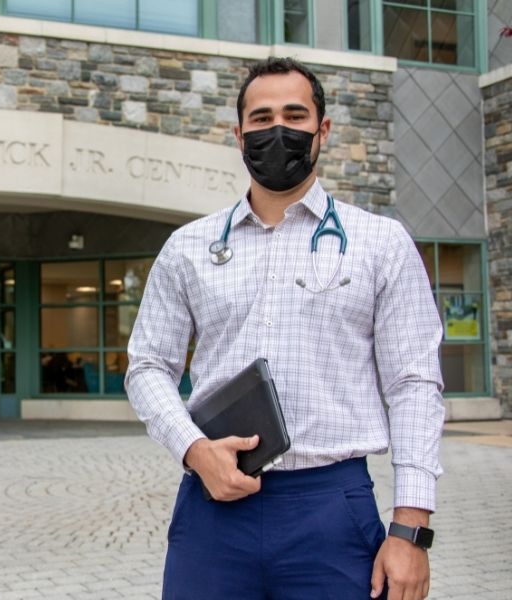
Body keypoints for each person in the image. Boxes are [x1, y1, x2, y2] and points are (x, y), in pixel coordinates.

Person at [125, 57, 444, 600]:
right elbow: (147, 366)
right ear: (238, 134)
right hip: (213, 510)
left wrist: (410, 529)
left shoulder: (380, 244)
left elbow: (413, 384)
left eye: (295, 116)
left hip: (332, 509)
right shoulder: (189, 249)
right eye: (261, 117)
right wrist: (194, 449)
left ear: (322, 130)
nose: (278, 130)